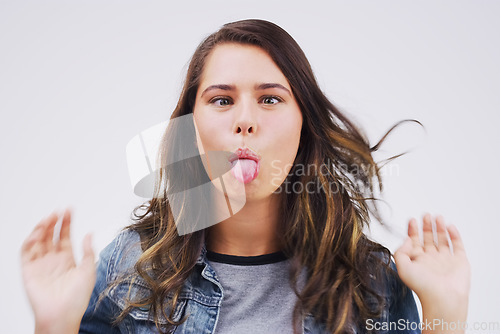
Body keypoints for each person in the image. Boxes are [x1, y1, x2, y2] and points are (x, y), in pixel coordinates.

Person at [21, 19, 470, 334]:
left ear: (304, 124)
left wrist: (445, 315)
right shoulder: (130, 267)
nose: (245, 121)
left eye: (270, 99)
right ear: (189, 127)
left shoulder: (369, 278)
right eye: (221, 100)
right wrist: (54, 326)